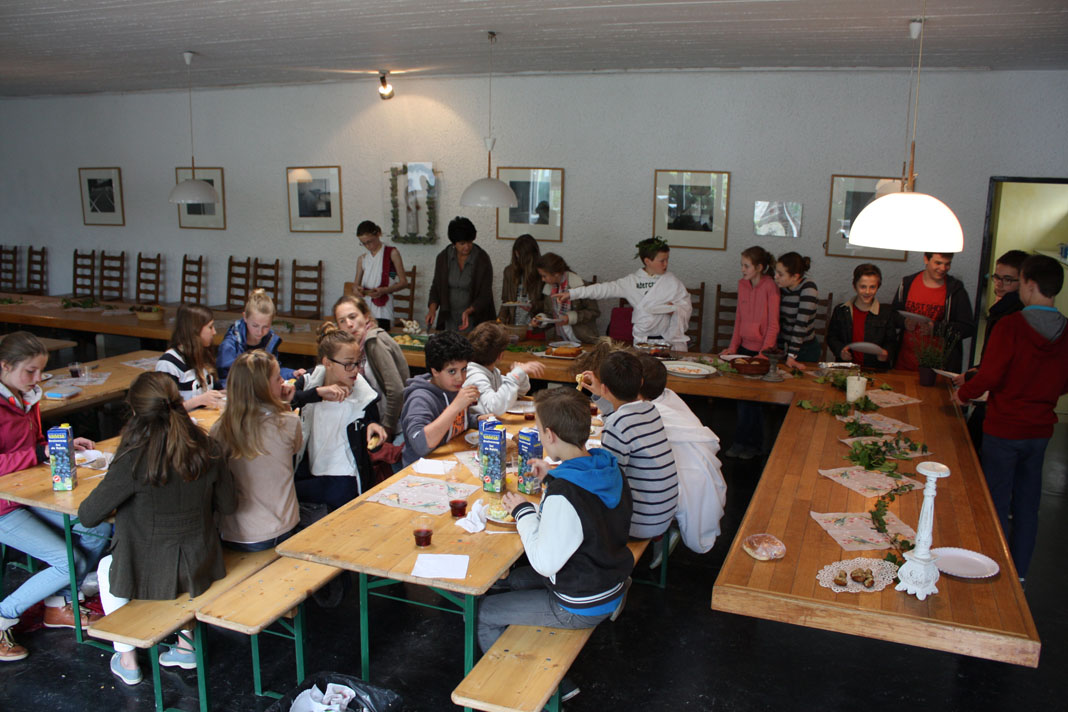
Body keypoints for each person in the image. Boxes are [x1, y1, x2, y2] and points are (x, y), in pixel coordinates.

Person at [78, 372, 235, 685]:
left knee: (107, 567)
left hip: (150, 571)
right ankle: (186, 647)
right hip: (200, 562)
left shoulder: (133, 458)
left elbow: (88, 516)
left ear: (135, 412)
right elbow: (229, 505)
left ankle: (127, 657)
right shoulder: (208, 446)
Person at [478, 387, 633, 704]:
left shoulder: (565, 494)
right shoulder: (607, 465)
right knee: (512, 581)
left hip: (581, 603)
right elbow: (588, 503)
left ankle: (533, 688)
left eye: (538, 429)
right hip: (608, 576)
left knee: (485, 612)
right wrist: (553, 474)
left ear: (549, 435)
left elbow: (544, 562)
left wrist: (522, 511)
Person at [955, 255, 1068, 582]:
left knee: (994, 502)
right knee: (1028, 506)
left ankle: (994, 572)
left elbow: (991, 374)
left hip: (1004, 429)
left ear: (1029, 285)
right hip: (1040, 431)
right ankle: (1019, 576)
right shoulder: (1066, 330)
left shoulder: (1012, 325)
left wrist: (963, 394)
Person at [0, 332, 109, 662]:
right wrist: (39, 452)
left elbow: (31, 445)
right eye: (30, 371)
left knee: (97, 526)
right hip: (3, 506)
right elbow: (24, 454)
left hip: (26, 495)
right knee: (68, 561)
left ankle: (57, 605)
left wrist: (59, 445)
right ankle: (4, 616)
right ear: (4, 366)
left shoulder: (26, 396)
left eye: (40, 371)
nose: (37, 379)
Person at [211, 351, 302, 551]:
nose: (283, 381)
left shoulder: (219, 430)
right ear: (263, 388)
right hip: (280, 529)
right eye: (278, 378)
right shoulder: (288, 423)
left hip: (235, 533)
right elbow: (293, 450)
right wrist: (284, 406)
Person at [292, 324, 387, 511]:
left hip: (346, 478)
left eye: (358, 363)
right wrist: (317, 394)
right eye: (348, 364)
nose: (355, 370)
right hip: (310, 476)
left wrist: (373, 428)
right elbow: (283, 402)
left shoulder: (364, 392)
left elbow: (372, 425)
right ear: (327, 363)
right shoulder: (309, 383)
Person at [637, 354, 726, 555]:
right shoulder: (667, 396)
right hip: (697, 477)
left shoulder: (648, 413)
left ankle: (659, 534)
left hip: (681, 485)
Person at [594, 351, 678, 540]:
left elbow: (609, 482)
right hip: (663, 515)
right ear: (641, 382)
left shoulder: (618, 424)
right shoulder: (650, 409)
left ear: (604, 388)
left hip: (639, 525)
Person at [556, 237, 692, 352]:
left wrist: (676, 309)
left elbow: (685, 304)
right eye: (662, 260)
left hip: (667, 339)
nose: (666, 264)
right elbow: (603, 289)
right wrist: (572, 293)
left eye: (667, 259)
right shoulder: (631, 282)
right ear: (647, 261)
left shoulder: (672, 281)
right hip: (643, 340)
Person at [953, 249, 1029, 450]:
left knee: (971, 449)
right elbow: (993, 356)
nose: (999, 284)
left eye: (1008, 280)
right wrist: (978, 369)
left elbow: (1003, 367)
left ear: (1023, 282)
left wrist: (971, 381)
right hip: (993, 399)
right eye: (996, 277)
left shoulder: (1012, 317)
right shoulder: (1000, 309)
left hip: (1003, 409)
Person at [722, 246, 779, 460]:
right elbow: (739, 319)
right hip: (744, 350)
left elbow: (773, 324)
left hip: (761, 352)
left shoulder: (770, 287)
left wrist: (764, 354)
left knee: (754, 402)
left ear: (760, 267)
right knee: (742, 399)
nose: (742, 269)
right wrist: (733, 347)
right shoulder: (743, 285)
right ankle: (740, 443)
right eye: (742, 265)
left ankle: (754, 446)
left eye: (746, 266)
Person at [399, 330, 480, 467]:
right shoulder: (420, 399)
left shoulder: (451, 388)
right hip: (421, 470)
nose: (460, 378)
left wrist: (477, 420)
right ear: (435, 371)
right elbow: (420, 444)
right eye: (452, 371)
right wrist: (455, 407)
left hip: (451, 460)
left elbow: (457, 423)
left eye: (464, 369)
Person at [334, 295, 410, 438]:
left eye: (353, 317)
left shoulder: (374, 341)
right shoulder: (356, 347)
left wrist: (387, 429)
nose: (349, 324)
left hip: (395, 425)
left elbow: (396, 390)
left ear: (366, 316)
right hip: (374, 422)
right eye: (342, 321)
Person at [890, 252, 975, 372]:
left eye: (947, 264)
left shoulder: (956, 290)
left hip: (940, 367)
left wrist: (936, 329)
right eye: (938, 263)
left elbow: (968, 328)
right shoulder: (907, 283)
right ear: (926, 259)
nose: (943, 268)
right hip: (904, 363)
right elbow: (892, 315)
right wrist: (904, 322)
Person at [216, 289, 303, 386]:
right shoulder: (230, 344)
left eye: (266, 327)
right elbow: (225, 380)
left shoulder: (269, 340)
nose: (260, 332)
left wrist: (292, 374)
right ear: (245, 317)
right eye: (255, 325)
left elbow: (272, 371)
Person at [426, 216, 495, 333]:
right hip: (449, 318)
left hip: (474, 319)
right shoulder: (443, 258)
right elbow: (436, 287)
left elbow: (485, 294)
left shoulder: (482, 259)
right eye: (462, 243)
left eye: (470, 242)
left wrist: (469, 311)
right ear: (454, 243)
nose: (467, 247)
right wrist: (432, 310)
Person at [827, 263, 902, 369]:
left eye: (872, 287)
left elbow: (892, 342)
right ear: (855, 286)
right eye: (863, 287)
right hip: (846, 369)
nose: (867, 292)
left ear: (878, 287)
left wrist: (886, 353)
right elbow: (831, 337)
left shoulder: (886, 312)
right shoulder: (841, 311)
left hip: (876, 369)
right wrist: (840, 351)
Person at [463, 322, 545, 417]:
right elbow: (494, 408)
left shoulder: (492, 372)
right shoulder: (475, 376)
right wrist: (515, 376)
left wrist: (520, 375)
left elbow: (518, 393)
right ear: (500, 356)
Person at [155, 303, 225, 410]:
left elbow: (215, 390)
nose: (214, 332)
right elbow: (165, 410)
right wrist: (198, 401)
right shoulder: (168, 363)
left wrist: (228, 393)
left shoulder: (204, 354)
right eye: (210, 327)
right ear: (195, 330)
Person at [533, 252, 601, 344]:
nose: (542, 279)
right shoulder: (548, 289)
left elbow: (594, 312)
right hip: (559, 340)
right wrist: (541, 319)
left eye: (544, 276)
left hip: (584, 340)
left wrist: (571, 317)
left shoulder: (581, 286)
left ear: (556, 273)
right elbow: (551, 314)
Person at [353, 220, 408, 331]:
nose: (368, 246)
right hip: (365, 306)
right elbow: (355, 287)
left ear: (378, 234)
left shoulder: (392, 253)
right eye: (363, 243)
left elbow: (404, 282)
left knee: (381, 336)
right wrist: (357, 290)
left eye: (370, 241)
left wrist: (384, 290)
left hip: (383, 307)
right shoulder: (362, 259)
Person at [773, 252, 820, 369]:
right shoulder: (783, 288)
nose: (775, 277)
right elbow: (779, 321)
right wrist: (779, 350)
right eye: (776, 272)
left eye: (780, 274)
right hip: (787, 347)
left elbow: (801, 324)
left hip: (805, 349)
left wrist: (791, 355)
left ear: (795, 276)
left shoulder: (808, 288)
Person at [498, 234, 544, 330]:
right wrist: (499, 322)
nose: (519, 260)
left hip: (535, 327)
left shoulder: (542, 274)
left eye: (523, 257)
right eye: (517, 255)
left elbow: (548, 304)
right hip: (514, 326)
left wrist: (533, 306)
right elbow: (506, 301)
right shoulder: (509, 272)